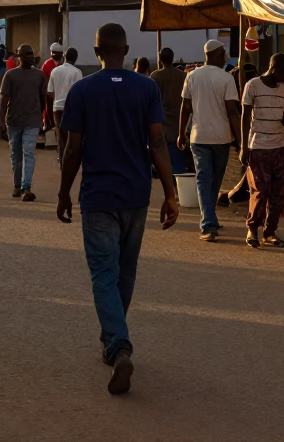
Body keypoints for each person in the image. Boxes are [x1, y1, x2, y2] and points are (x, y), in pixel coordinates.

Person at [56, 22, 178, 395]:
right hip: (135, 195)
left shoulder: (83, 90)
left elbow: (73, 147)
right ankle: (114, 338)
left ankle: (119, 344)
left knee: (103, 274)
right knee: (124, 272)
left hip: (98, 197)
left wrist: (64, 192)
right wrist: (170, 193)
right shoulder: (146, 88)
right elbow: (157, 142)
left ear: (96, 52)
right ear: (125, 50)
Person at [177, 40, 240, 241]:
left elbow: (185, 107)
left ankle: (209, 220)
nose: (225, 57)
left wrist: (181, 133)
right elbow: (232, 112)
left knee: (204, 179)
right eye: (223, 54)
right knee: (214, 180)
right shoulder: (227, 78)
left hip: (198, 136)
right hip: (221, 138)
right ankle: (208, 223)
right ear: (215, 54)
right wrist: (241, 141)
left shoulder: (192, 76)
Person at [240, 52, 284, 248]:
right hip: (258, 146)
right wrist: (243, 147)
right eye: (283, 71)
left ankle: (270, 232)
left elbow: (282, 115)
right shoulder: (253, 85)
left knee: (278, 192)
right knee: (260, 190)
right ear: (272, 67)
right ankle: (252, 229)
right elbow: (244, 116)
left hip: (280, 146)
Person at [1, 44, 47, 200]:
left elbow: (43, 99)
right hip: (13, 121)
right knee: (16, 155)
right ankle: (17, 185)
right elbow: (4, 99)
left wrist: (41, 118)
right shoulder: (10, 75)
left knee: (29, 152)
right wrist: (1, 120)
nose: (30, 56)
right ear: (19, 57)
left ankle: (26, 188)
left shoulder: (39, 75)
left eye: (32, 53)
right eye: (27, 54)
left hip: (32, 121)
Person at [150, 47, 187, 175]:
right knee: (177, 154)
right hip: (178, 119)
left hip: (161, 120)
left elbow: (152, 99)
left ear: (160, 59)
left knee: (161, 153)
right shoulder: (182, 75)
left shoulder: (155, 75)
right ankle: (178, 183)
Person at [48, 46, 83, 166]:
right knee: (70, 136)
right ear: (76, 59)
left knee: (60, 136)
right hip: (71, 108)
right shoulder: (77, 72)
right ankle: (68, 161)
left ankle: (61, 159)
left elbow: (50, 92)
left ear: (64, 56)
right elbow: (79, 93)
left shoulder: (55, 71)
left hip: (57, 108)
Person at [41, 41, 64, 132]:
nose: (56, 55)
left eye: (58, 53)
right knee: (48, 110)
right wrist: (49, 91)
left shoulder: (64, 63)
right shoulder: (47, 64)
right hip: (49, 92)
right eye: (54, 53)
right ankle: (48, 126)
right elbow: (44, 78)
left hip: (61, 92)